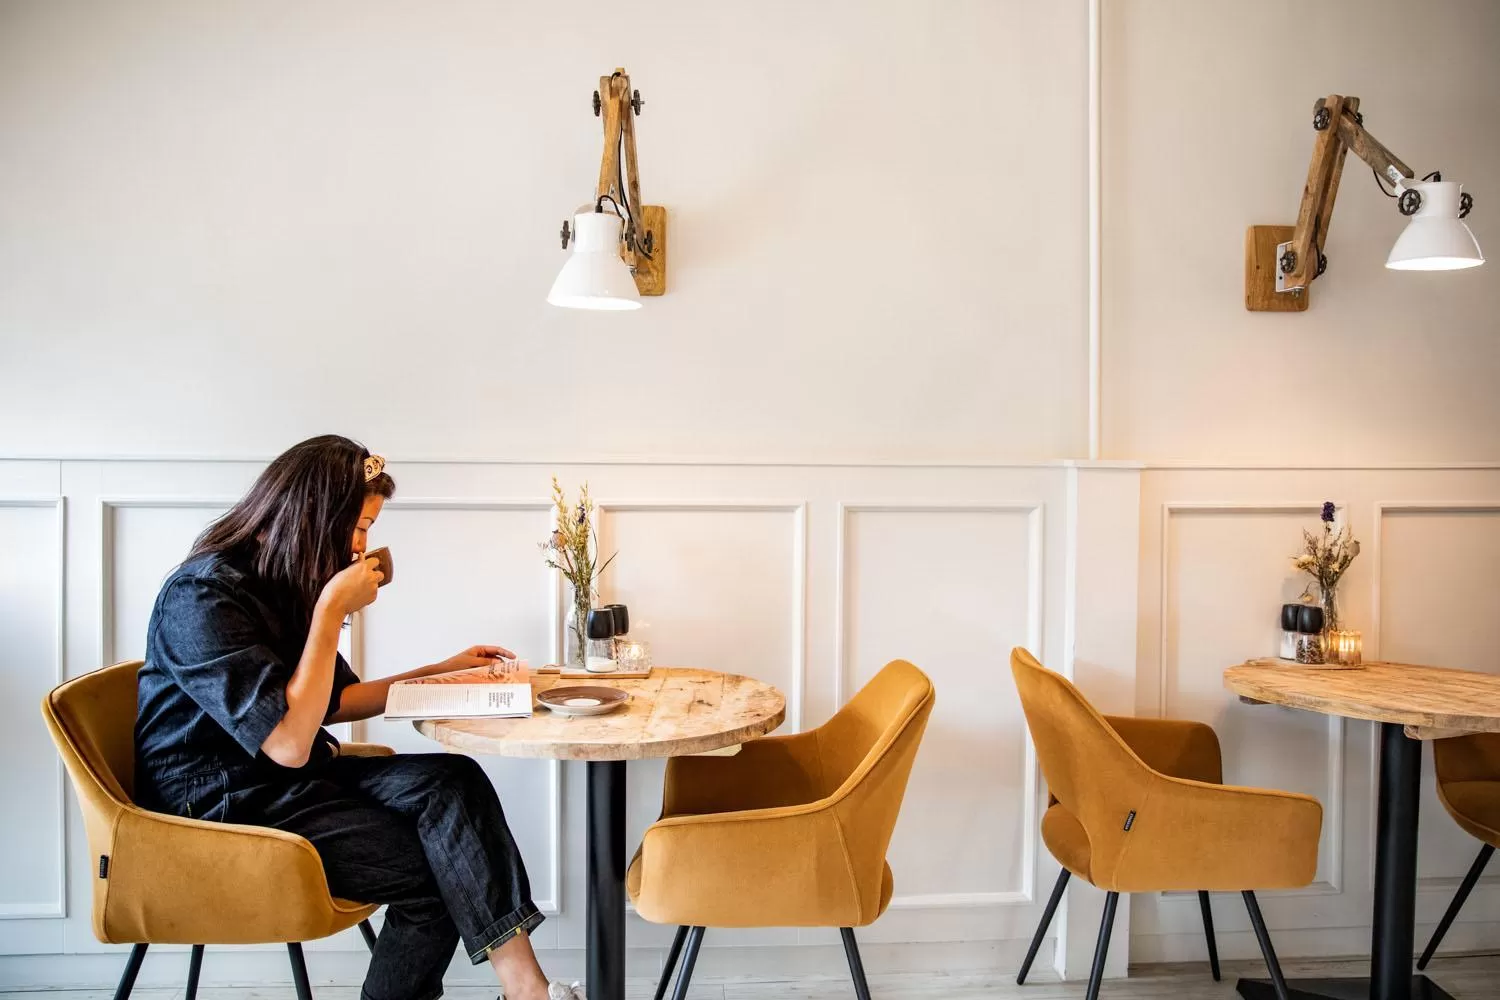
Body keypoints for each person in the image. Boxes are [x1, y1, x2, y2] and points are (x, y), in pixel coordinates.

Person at [134, 435, 577, 1000]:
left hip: (282, 779)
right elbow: (290, 741)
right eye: (361, 525)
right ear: (314, 517)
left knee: (452, 780)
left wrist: (443, 673)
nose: (363, 545)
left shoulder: (280, 577)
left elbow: (334, 703)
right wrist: (329, 610)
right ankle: (528, 993)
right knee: (439, 870)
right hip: (215, 802)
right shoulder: (201, 598)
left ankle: (525, 990)